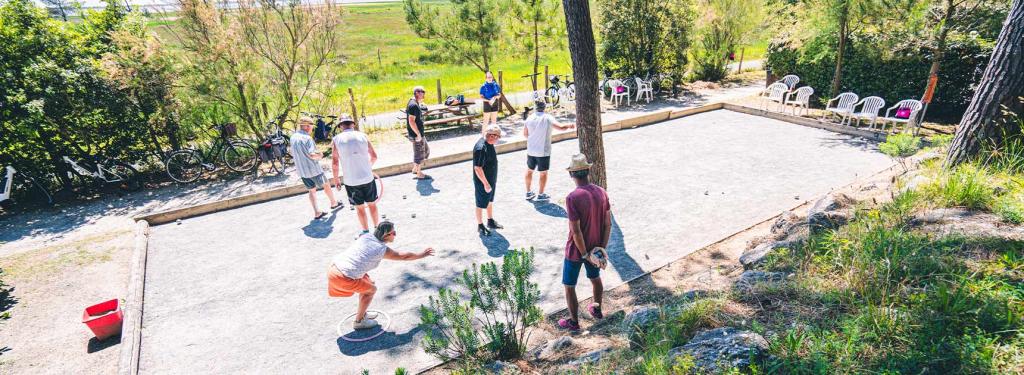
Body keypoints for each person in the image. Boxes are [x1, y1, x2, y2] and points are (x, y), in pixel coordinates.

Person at [328, 221, 434, 329]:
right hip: (343, 276)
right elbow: (404, 256)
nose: (395, 235)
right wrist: (422, 255)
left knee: (370, 283)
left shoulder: (366, 236)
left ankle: (363, 313)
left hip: (334, 267)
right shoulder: (380, 249)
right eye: (394, 233)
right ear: (386, 235)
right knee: (370, 290)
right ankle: (359, 322)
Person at [558, 154, 611, 331]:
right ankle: (596, 309)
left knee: (569, 285)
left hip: (575, 250)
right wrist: (600, 249)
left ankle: (574, 322)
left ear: (571, 174)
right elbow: (607, 223)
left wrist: (584, 254)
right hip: (595, 246)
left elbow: (576, 231)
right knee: (595, 279)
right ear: (588, 171)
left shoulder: (572, 197)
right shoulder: (602, 192)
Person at [331, 114, 380, 235]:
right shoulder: (363, 136)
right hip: (368, 178)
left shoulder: (336, 140)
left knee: (360, 208)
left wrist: (336, 180)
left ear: (340, 126)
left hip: (351, 181)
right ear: (353, 124)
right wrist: (367, 168)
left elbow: (335, 163)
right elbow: (374, 157)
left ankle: (366, 232)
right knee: (372, 205)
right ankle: (378, 230)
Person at [523, 100, 574, 201]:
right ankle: (541, 194)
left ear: (535, 107)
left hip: (531, 150)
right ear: (544, 107)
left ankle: (528, 192)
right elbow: (561, 127)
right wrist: (569, 125)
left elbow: (525, 134)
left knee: (529, 170)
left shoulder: (529, 118)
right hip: (543, 151)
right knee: (543, 173)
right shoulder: (547, 118)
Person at [291, 116, 340, 219]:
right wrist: (321, 155)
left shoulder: (293, 137)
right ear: (308, 126)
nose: (312, 129)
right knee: (326, 184)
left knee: (311, 190)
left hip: (302, 171)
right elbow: (312, 155)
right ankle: (333, 203)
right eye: (312, 127)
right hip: (313, 170)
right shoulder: (308, 139)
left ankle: (317, 212)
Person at [473, 125, 503, 236]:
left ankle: (490, 221)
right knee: (480, 203)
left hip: (490, 180)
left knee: (490, 200)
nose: (498, 139)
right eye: (498, 137)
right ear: (491, 136)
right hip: (483, 182)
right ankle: (480, 225)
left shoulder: (489, 143)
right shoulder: (481, 148)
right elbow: (478, 168)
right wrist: (485, 184)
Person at [406, 86, 431, 180]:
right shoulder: (413, 105)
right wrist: (418, 134)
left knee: (426, 151)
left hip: (418, 133)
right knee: (419, 154)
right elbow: (411, 121)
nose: (424, 94)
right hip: (417, 134)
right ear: (417, 93)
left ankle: (414, 168)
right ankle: (419, 173)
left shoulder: (414, 103)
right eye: (422, 92)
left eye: (424, 92)